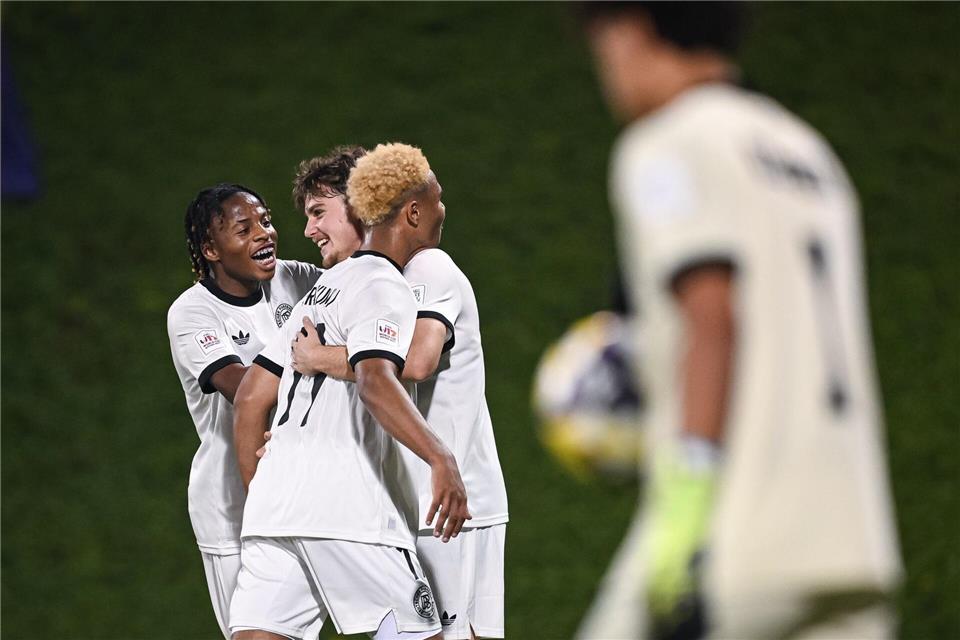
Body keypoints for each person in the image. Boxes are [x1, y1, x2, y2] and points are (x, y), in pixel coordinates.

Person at [578, 3, 903, 639]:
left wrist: (687, 505)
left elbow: (712, 315)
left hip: (740, 539)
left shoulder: (667, 143)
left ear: (629, 31)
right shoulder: (808, 151)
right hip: (855, 544)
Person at [230, 142, 470, 640]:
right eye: (436, 201)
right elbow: (376, 380)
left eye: (318, 212)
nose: (442, 211)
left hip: (273, 510)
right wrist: (440, 457)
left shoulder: (317, 294)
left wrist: (272, 488)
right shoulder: (382, 283)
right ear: (409, 212)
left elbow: (251, 396)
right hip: (349, 508)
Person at [290, 156, 509, 640]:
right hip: (405, 506)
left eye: (319, 212)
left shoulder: (428, 266)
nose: (443, 209)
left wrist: (318, 357)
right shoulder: (362, 285)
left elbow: (413, 362)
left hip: (450, 507)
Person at [166, 183, 322, 639]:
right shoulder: (192, 312)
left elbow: (355, 287)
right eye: (244, 228)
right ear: (211, 249)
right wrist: (321, 360)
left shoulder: (296, 279)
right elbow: (245, 390)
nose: (263, 233)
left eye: (266, 221)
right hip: (234, 509)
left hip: (301, 492)